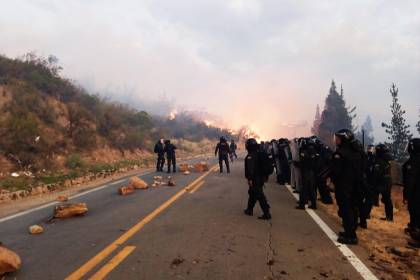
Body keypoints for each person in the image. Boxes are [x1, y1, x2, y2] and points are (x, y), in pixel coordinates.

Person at [328, 129, 364, 245]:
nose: (336, 141)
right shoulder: (357, 152)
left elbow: (336, 171)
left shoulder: (340, 153)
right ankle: (350, 231)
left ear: (343, 139)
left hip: (344, 186)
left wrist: (331, 181)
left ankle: (351, 236)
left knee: (345, 209)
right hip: (356, 185)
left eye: (338, 138)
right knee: (353, 208)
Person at [244, 138, 272, 220]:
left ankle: (266, 213)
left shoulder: (250, 156)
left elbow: (250, 169)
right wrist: (266, 177)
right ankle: (249, 210)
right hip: (261, 178)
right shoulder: (260, 153)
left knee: (259, 195)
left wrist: (249, 179)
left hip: (255, 179)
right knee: (252, 193)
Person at [403, 138, 420, 245]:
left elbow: (411, 180)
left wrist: (406, 195)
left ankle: (418, 238)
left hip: (416, 193)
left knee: (416, 212)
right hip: (417, 191)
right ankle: (413, 229)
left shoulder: (415, 161)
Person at [371, 144, 394, 221]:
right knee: (387, 199)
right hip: (387, 182)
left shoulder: (380, 161)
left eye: (376, 150)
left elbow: (376, 174)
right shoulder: (386, 159)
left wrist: (372, 182)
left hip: (382, 182)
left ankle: (365, 214)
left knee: (370, 195)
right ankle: (389, 217)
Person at [295, 138, 319, 210]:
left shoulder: (304, 151)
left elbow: (303, 163)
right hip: (312, 172)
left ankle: (302, 205)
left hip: (306, 171)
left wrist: (296, 163)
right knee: (311, 189)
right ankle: (314, 205)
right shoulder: (315, 151)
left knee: (303, 188)